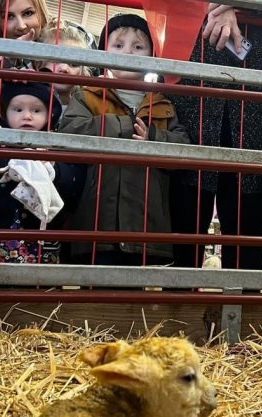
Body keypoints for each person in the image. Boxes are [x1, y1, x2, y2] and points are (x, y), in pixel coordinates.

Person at [57, 14, 190, 266]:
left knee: (135, 300)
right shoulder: (87, 95)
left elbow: (183, 149)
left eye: (138, 47)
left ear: (152, 56)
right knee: (92, 296)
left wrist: (152, 136)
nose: (127, 52)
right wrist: (125, 125)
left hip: (146, 230)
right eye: (118, 46)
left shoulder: (163, 104)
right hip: (95, 227)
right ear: (103, 52)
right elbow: (70, 132)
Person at [167, 4, 262, 270]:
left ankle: (244, 300)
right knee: (187, 186)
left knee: (251, 196)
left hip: (260, 73)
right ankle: (179, 300)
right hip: (195, 66)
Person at [0, 81, 69, 263]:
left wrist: (55, 168)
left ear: (50, 115)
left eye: (37, 110)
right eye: (17, 110)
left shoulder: (57, 147)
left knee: (36, 289)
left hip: (42, 241)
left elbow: (71, 188)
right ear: (2, 112)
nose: (27, 116)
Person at [0, 0, 50, 107]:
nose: (21, 26)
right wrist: (10, 55)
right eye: (9, 16)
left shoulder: (58, 44)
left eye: (28, 13)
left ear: (41, 13)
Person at [36, 19, 97, 111]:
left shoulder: (86, 108)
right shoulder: (26, 98)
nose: (64, 68)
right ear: (39, 64)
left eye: (73, 64)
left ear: (82, 73)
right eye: (56, 60)